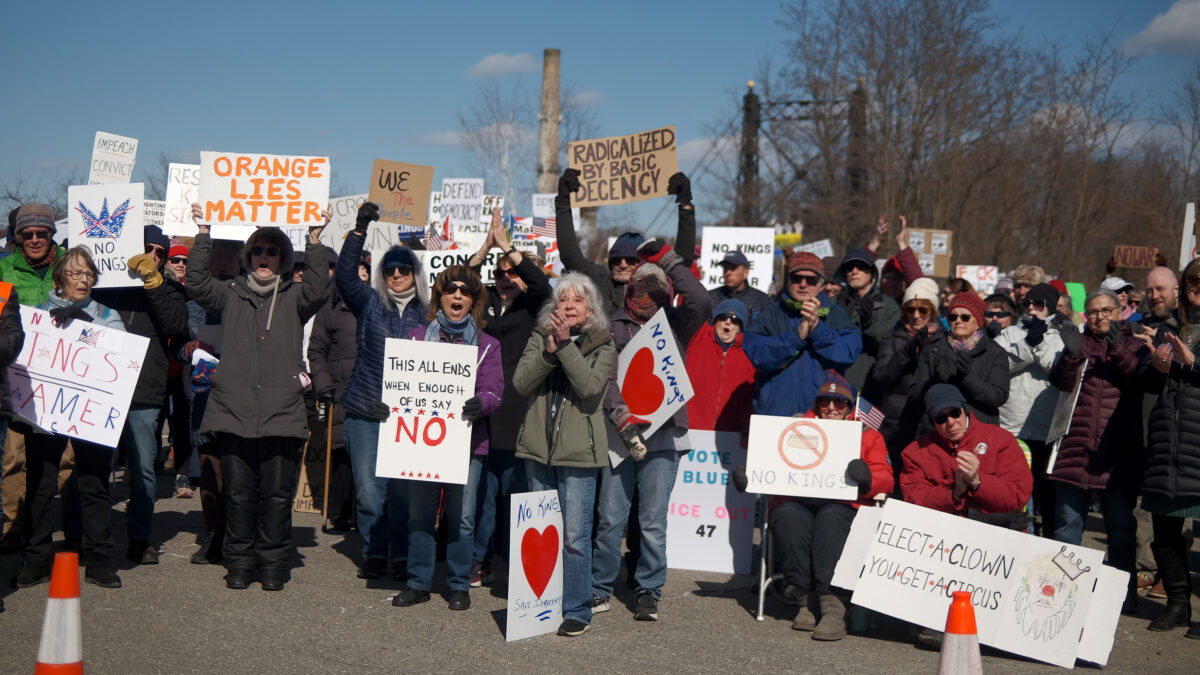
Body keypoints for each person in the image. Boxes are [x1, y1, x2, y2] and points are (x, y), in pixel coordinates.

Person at [187, 202, 329, 591]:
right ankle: (239, 562)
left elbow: (320, 287)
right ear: (248, 257)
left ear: (283, 259)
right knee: (238, 494)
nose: (264, 258)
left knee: (277, 496)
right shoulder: (229, 293)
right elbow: (196, 284)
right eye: (258, 251)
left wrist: (315, 240)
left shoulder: (295, 296)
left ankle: (272, 564)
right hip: (234, 410)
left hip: (281, 412)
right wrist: (203, 234)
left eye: (272, 252)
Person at [592, 237, 710, 622]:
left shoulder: (676, 324)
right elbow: (606, 377)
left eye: (656, 290)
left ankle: (648, 589)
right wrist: (619, 413)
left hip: (664, 437)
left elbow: (701, 300)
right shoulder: (612, 325)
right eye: (640, 289)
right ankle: (600, 586)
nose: (647, 297)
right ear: (629, 291)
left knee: (652, 522)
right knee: (610, 518)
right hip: (619, 436)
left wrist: (668, 260)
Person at [392, 265, 503, 612]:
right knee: (420, 515)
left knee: (463, 518)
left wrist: (481, 403)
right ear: (439, 296)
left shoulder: (488, 345)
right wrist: (388, 407)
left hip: (468, 444)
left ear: (474, 301)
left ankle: (458, 584)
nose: (457, 295)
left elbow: (494, 391)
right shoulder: (414, 338)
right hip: (422, 444)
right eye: (451, 289)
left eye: (465, 291)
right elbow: (397, 386)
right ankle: (417, 582)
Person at [15, 248, 125, 589]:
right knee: (41, 485)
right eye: (76, 273)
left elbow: (122, 359)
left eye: (89, 274)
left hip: (91, 415)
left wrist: (88, 330)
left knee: (94, 484)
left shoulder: (107, 315)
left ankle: (98, 559)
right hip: (46, 412)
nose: (84, 280)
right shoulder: (36, 316)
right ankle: (36, 558)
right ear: (60, 278)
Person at [512, 273, 614, 637]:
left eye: (577, 300)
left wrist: (566, 346)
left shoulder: (603, 343)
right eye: (563, 299)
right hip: (537, 451)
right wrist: (548, 352)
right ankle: (541, 606)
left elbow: (589, 388)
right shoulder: (540, 336)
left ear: (590, 310)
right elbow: (521, 383)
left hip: (578, 455)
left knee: (574, 538)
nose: (568, 305)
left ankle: (576, 609)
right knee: (541, 534)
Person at [900, 383, 1034, 648]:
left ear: (965, 410)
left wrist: (977, 482)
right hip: (943, 540)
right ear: (932, 422)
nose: (950, 422)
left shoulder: (1000, 440)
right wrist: (955, 492)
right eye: (941, 418)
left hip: (994, 535)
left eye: (955, 413)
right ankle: (935, 616)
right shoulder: (916, 452)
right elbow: (914, 499)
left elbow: (1017, 496)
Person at [336, 202, 429, 580]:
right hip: (366, 411)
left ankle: (403, 555)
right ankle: (374, 551)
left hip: (410, 418)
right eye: (389, 269)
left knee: (405, 493)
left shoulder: (430, 313)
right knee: (369, 491)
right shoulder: (369, 302)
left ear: (415, 273)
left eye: (403, 269)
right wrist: (359, 230)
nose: (396, 274)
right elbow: (345, 276)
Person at [769, 373, 893, 640]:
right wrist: (753, 476)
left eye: (840, 402)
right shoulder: (797, 428)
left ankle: (832, 605)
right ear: (817, 404)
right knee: (787, 515)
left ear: (849, 407)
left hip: (844, 504)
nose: (832, 408)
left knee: (830, 517)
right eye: (825, 401)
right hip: (800, 499)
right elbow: (772, 465)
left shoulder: (868, 436)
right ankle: (805, 599)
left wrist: (868, 479)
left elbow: (886, 478)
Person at [92, 225, 189, 565]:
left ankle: (140, 538)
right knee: (93, 467)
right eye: (148, 248)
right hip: (101, 385)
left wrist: (153, 283)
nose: (153, 256)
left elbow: (176, 326)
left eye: (160, 253)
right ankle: (88, 537)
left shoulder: (170, 288)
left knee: (143, 469)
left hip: (144, 389)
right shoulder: (107, 282)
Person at [1047, 288, 1146, 615]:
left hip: (1116, 453)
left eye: (1106, 310)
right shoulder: (1079, 342)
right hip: (1074, 448)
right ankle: (1061, 592)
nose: (1100, 317)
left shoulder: (1134, 343)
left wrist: (1117, 348)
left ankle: (1122, 595)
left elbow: (1136, 378)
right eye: (1094, 312)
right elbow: (1061, 382)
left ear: (1120, 311)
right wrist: (1071, 355)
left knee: (1120, 528)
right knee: (1067, 525)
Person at [466, 208, 551, 587]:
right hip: (483, 417)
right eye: (499, 274)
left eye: (512, 273)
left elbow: (542, 285)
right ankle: (479, 561)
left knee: (516, 498)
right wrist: (486, 247)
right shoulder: (481, 303)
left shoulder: (534, 305)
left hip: (519, 417)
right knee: (482, 500)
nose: (505, 279)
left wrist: (507, 247)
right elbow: (458, 281)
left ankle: (520, 567)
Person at [1140, 257, 1200, 637]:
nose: (1198, 287)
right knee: (1164, 533)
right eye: (1193, 280)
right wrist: (1158, 368)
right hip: (1168, 442)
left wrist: (1191, 362)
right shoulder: (1168, 328)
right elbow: (1147, 385)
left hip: (1198, 442)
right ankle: (1178, 605)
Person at [0, 203, 65, 554]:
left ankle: (60, 521)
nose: (35, 239)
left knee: (65, 459)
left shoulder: (69, 263)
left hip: (61, 375)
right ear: (18, 236)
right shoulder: (3, 268)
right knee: (14, 458)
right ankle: (13, 526)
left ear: (52, 234)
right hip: (15, 373)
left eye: (42, 233)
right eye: (28, 234)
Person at [555, 168, 695, 313]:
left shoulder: (659, 289)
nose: (623, 265)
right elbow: (569, 254)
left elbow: (682, 261)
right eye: (616, 260)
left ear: (642, 263)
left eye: (630, 260)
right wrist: (563, 202)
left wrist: (685, 205)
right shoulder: (599, 286)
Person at [743, 251, 862, 417]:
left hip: (823, 413)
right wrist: (795, 338)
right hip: (776, 413)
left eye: (810, 280)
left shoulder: (836, 314)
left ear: (821, 285)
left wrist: (817, 329)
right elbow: (756, 354)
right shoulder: (772, 312)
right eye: (796, 278)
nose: (803, 284)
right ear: (788, 281)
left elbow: (848, 353)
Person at [995, 282, 1067, 536]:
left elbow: (1062, 372)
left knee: (1048, 498)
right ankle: (1020, 538)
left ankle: (1047, 542)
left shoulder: (1062, 336)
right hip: (1013, 427)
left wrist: (1039, 345)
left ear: (1051, 307)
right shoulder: (1010, 333)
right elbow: (997, 366)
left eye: (1039, 304)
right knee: (1018, 496)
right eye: (1028, 303)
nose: (1032, 308)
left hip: (1049, 430)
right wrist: (1027, 344)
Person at [866, 277, 943, 484]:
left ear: (932, 311)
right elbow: (881, 377)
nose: (916, 316)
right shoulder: (892, 337)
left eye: (923, 310)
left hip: (930, 424)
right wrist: (907, 352)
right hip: (896, 423)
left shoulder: (944, 338)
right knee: (895, 484)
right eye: (910, 309)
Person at [906, 291, 1009, 438]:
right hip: (939, 431)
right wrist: (935, 381)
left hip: (979, 432)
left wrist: (967, 378)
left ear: (978, 322)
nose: (958, 321)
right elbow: (914, 395)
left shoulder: (995, 352)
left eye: (965, 317)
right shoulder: (933, 349)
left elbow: (997, 397)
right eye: (953, 317)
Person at [306, 245, 355, 532]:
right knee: (341, 454)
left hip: (369, 394)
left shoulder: (374, 304)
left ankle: (363, 515)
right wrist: (323, 385)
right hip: (339, 392)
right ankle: (341, 513)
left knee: (365, 456)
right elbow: (316, 351)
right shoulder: (329, 308)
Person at [833, 246, 900, 389]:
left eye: (861, 267)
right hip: (835, 383)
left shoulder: (889, 306)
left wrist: (869, 325)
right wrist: (838, 320)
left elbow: (892, 343)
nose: (854, 271)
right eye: (849, 268)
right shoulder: (833, 302)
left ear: (871, 273)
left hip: (869, 386)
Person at [686, 299, 755, 431]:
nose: (728, 321)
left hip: (728, 435)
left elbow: (750, 398)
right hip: (689, 430)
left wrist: (744, 427)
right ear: (715, 321)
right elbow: (693, 302)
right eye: (723, 317)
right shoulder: (698, 339)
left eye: (735, 320)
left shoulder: (749, 354)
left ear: (740, 328)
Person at [707, 250, 771, 318]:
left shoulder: (761, 301)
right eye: (725, 268)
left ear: (746, 273)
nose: (728, 273)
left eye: (733, 268)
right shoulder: (710, 298)